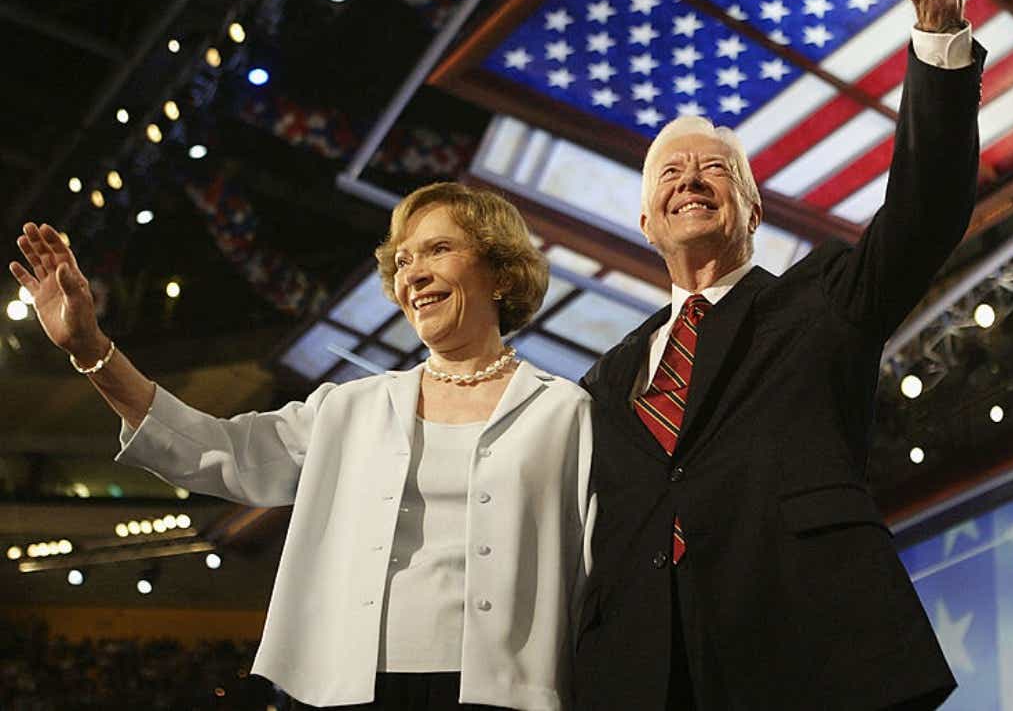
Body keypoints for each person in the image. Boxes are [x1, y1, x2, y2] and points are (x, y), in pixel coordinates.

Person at [573, 0, 979, 710]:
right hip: (647, 684)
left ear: (752, 207)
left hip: (815, 663)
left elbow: (927, 207)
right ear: (647, 221)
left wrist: (938, 21)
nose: (692, 177)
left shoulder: (824, 297)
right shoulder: (600, 385)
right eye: (670, 173)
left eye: (715, 167)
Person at [8, 182, 594, 710]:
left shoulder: (565, 412)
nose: (412, 273)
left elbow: (601, 570)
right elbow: (215, 451)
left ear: (501, 272)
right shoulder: (349, 408)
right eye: (404, 260)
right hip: (352, 690)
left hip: (509, 694)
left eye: (438, 250)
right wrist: (91, 350)